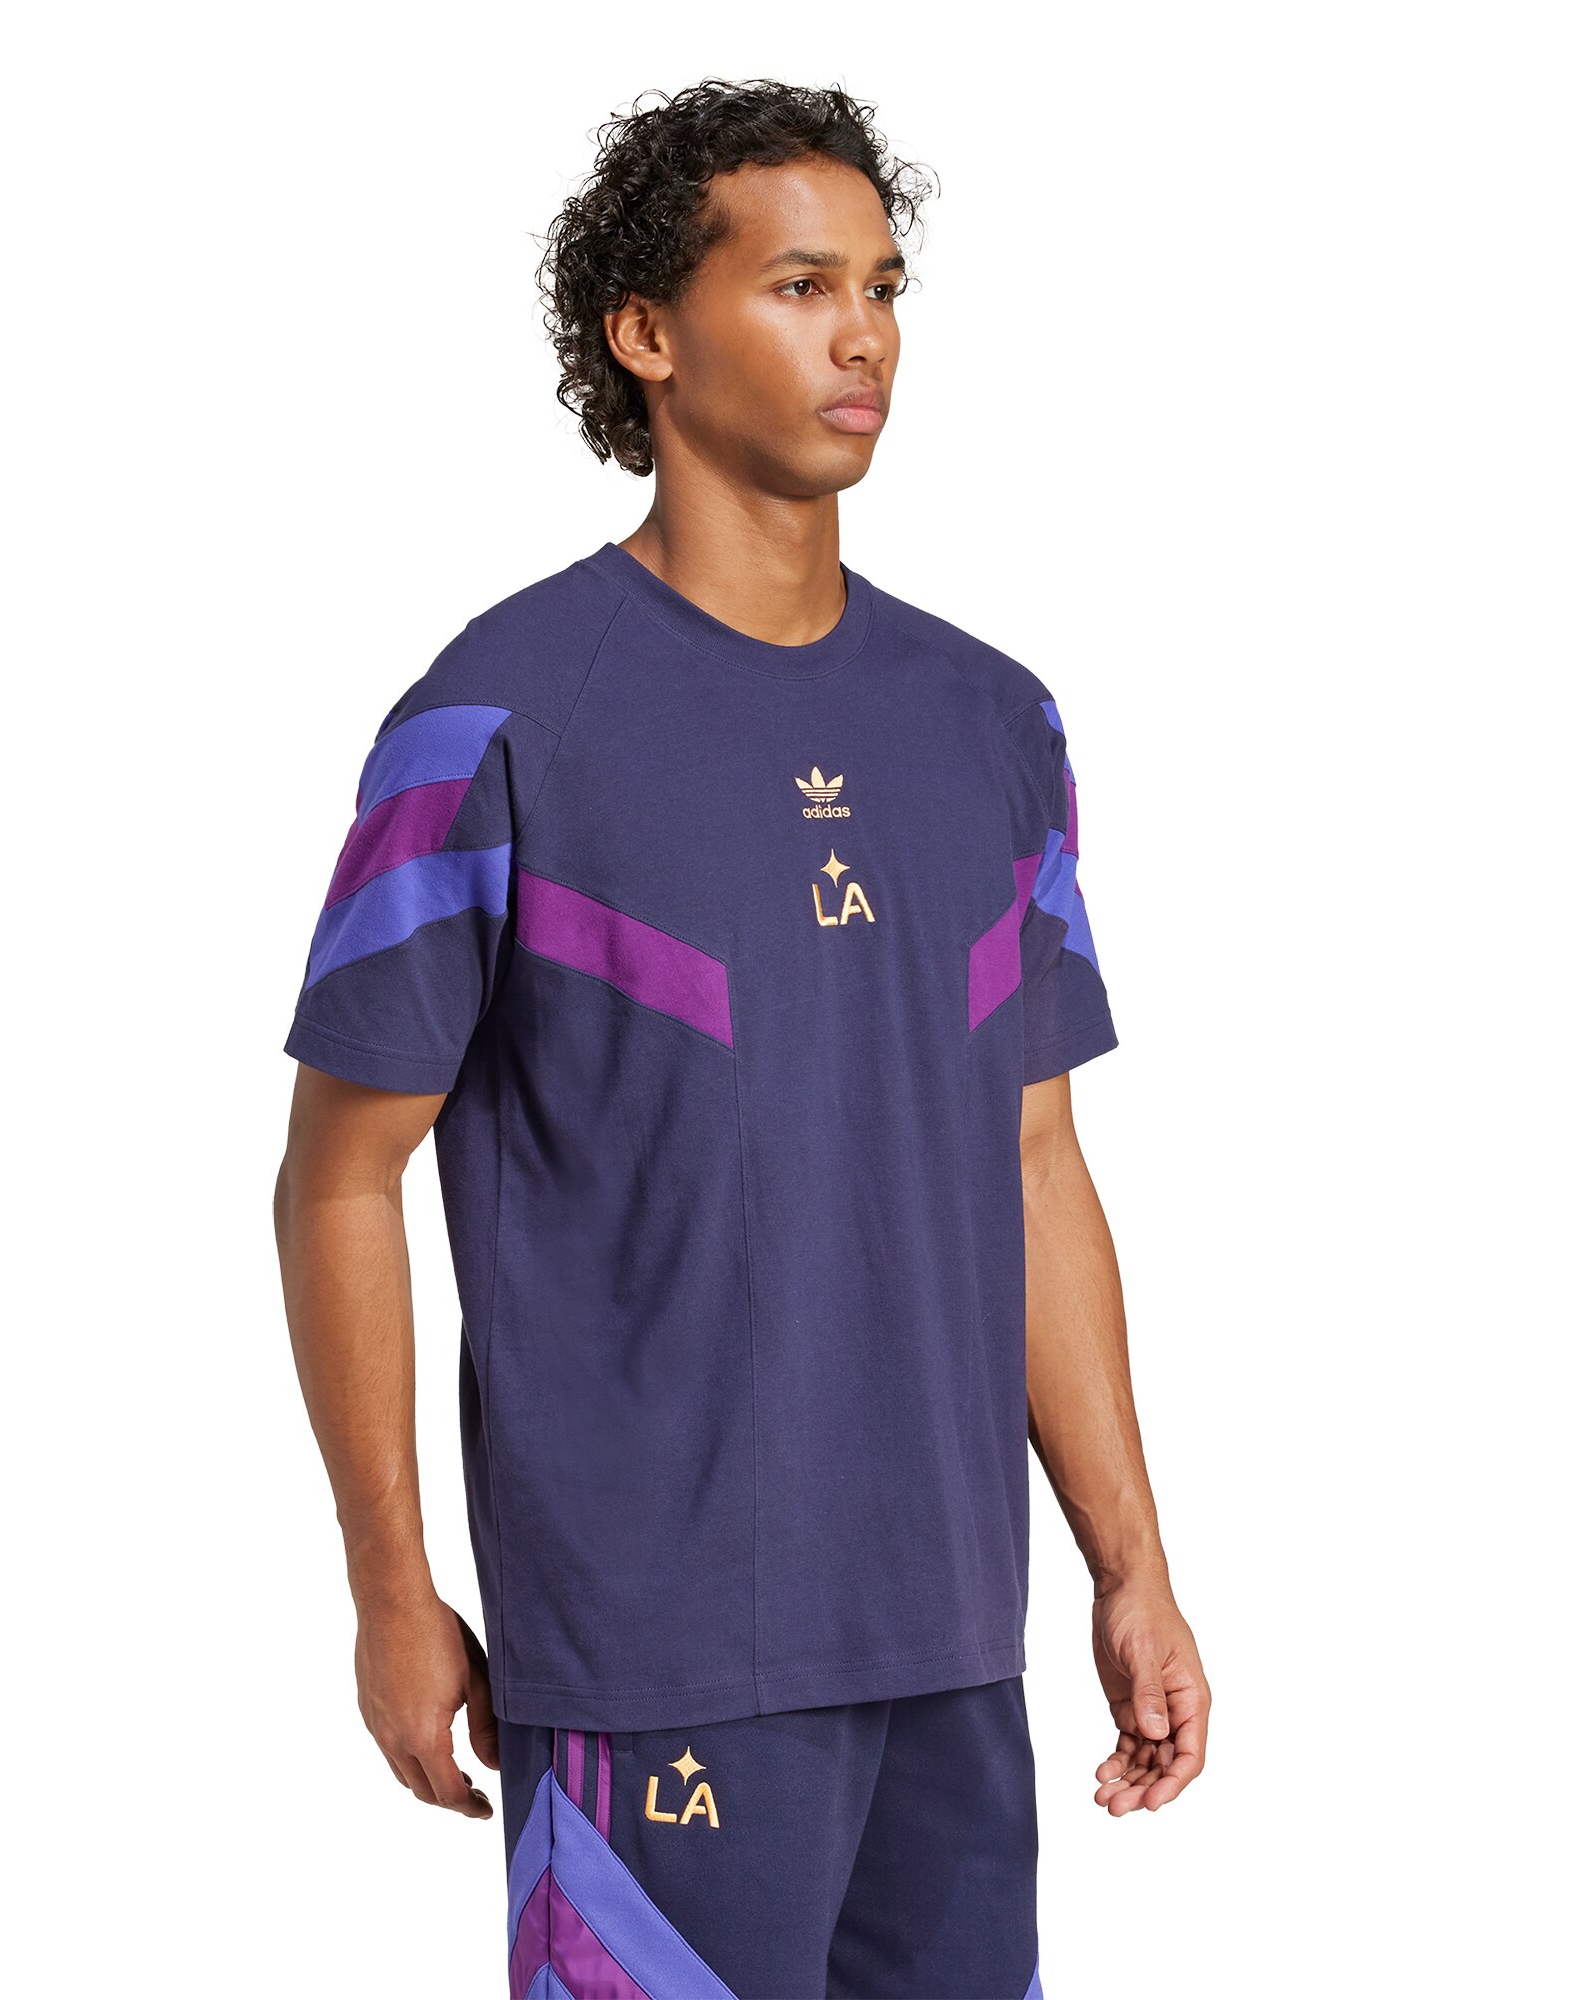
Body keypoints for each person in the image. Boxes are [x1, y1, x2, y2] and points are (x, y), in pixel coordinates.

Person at [272, 76, 1209, 2000]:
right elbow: (340, 1176)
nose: (863, 335)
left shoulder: (993, 724)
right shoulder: (494, 720)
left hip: (952, 1641)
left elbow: (1035, 1164)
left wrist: (1131, 1565)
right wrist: (389, 1586)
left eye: (882, 285)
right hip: (653, 1658)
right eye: (798, 285)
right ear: (646, 332)